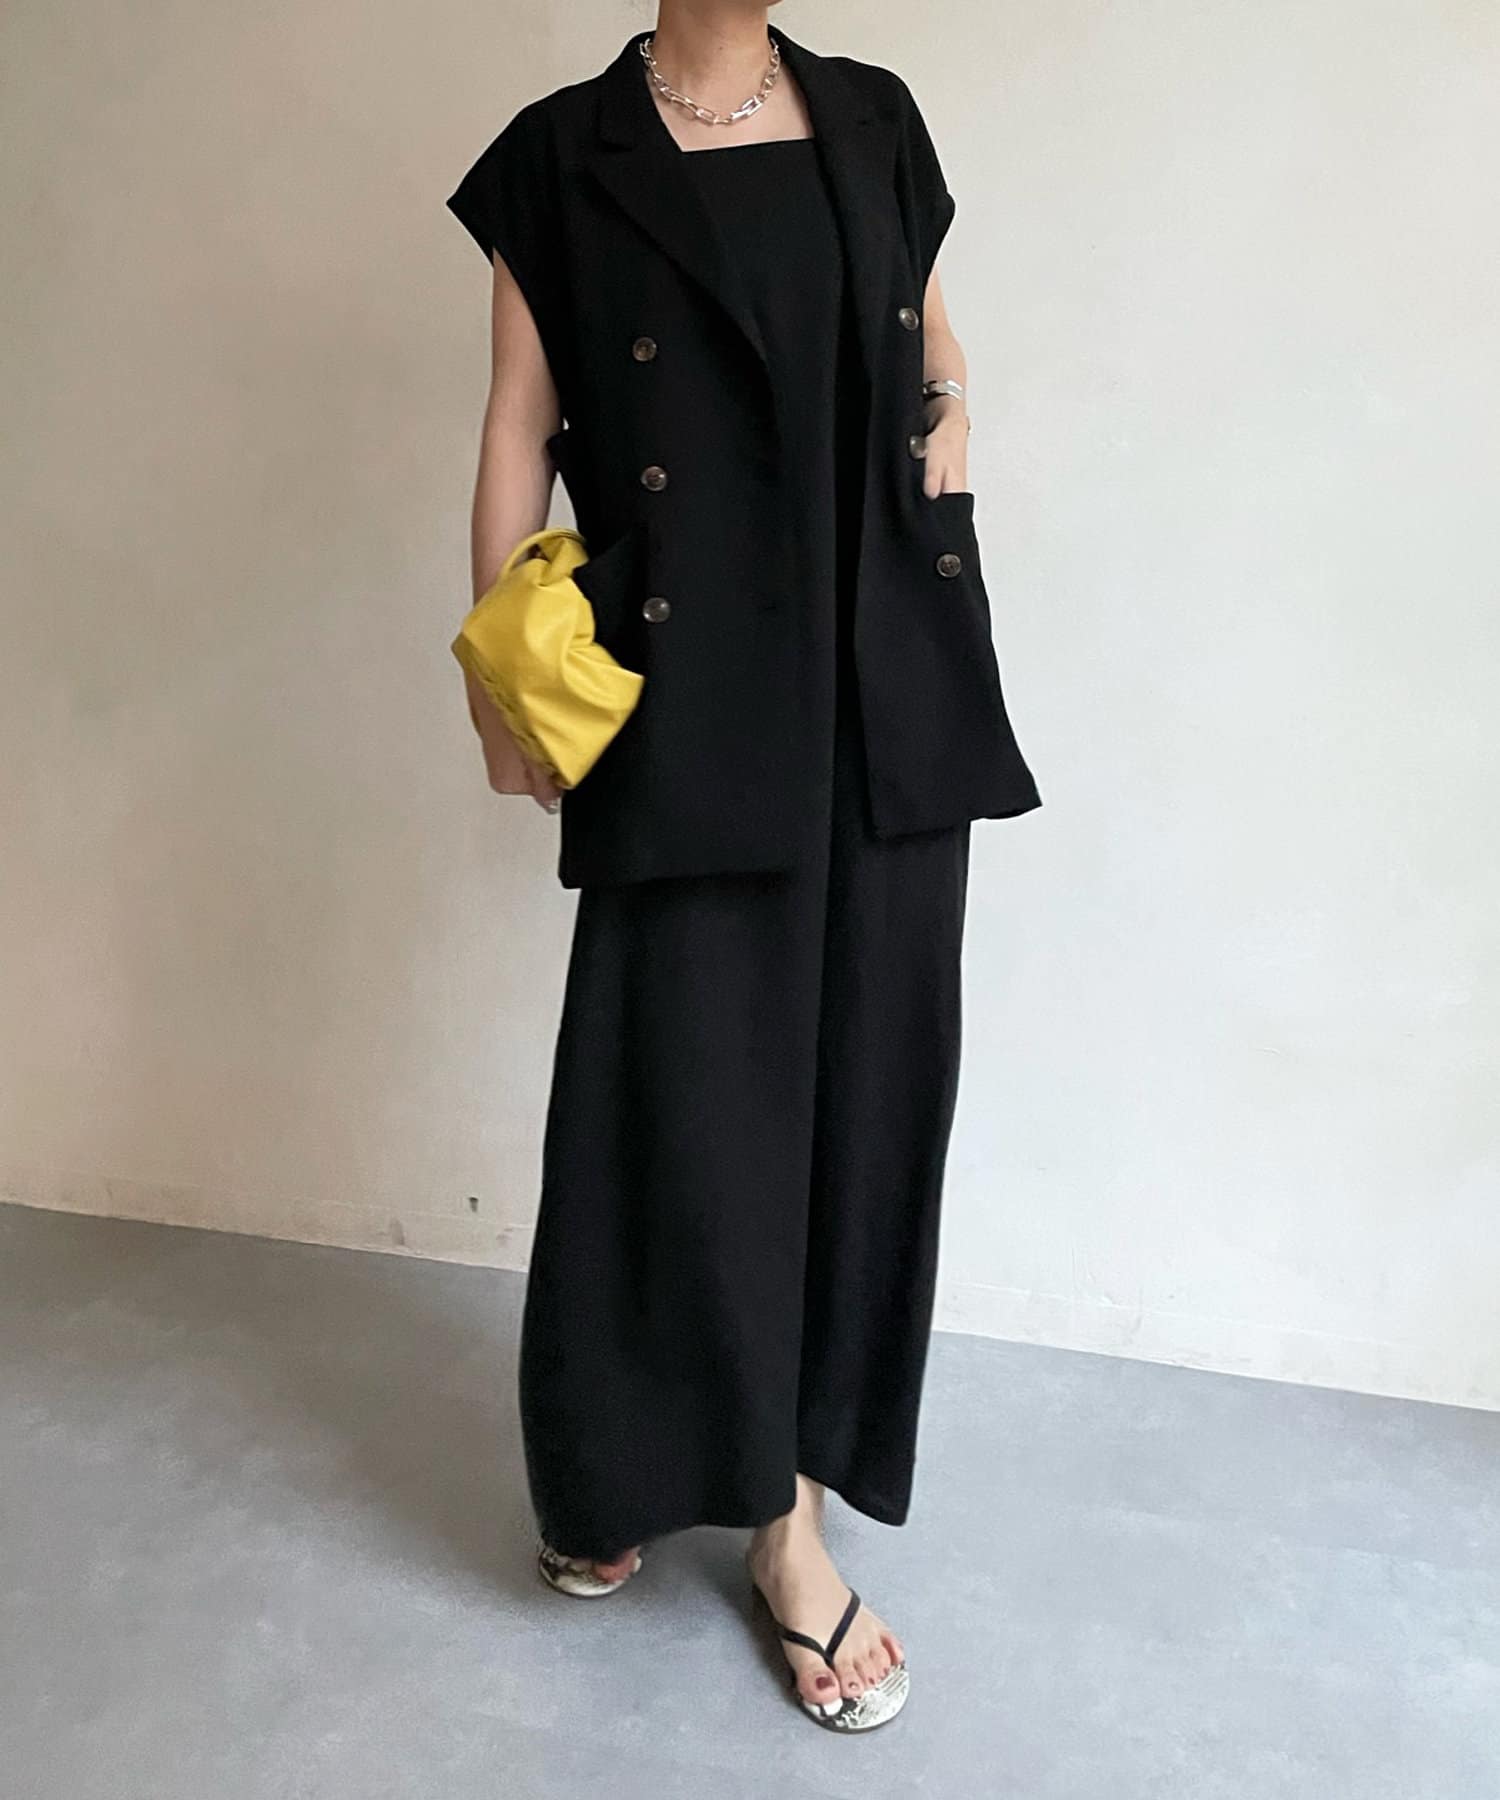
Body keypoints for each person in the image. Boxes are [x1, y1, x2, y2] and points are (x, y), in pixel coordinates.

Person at [445, 0, 1041, 1733]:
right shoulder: (562, 155)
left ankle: (792, 1527)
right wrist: (498, 682)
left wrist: (954, 410)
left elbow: (932, 332)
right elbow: (516, 424)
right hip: (688, 678)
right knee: (670, 1090)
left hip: (886, 679)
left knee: (864, 1098)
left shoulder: (875, 117)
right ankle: (616, 1462)